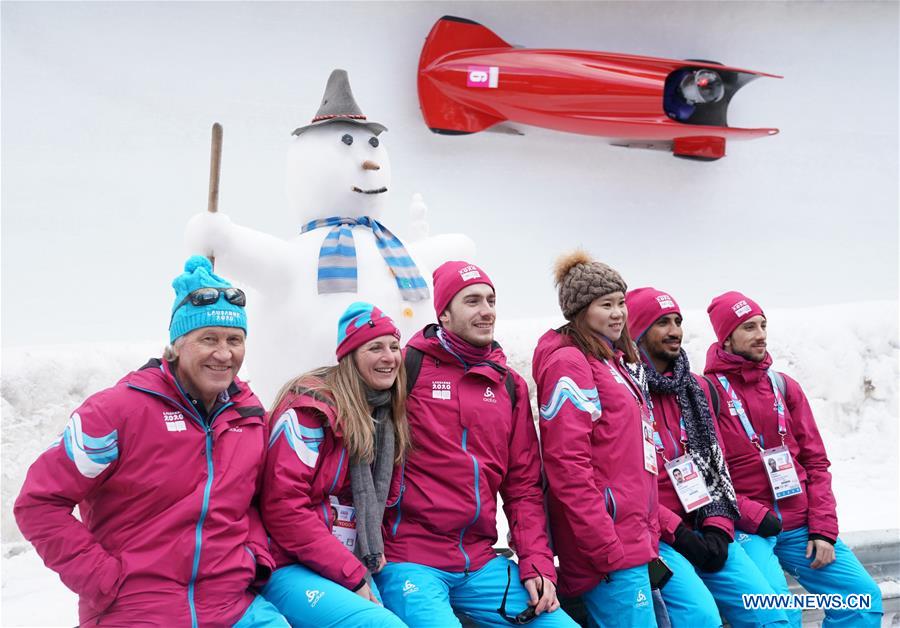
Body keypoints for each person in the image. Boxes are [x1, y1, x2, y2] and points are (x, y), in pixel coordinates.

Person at [14, 256, 287, 627]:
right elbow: (39, 503)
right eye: (208, 339)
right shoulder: (117, 411)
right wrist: (102, 579)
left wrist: (255, 556)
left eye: (234, 340)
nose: (224, 354)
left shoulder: (248, 416)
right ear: (176, 345)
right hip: (138, 608)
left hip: (232, 605)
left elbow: (252, 501)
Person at [373, 261, 575, 628]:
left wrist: (537, 564)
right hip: (410, 558)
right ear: (444, 314)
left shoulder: (510, 386)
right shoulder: (406, 368)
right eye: (472, 301)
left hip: (480, 563)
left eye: (491, 300)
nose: (486, 311)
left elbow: (524, 488)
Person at [703, 291, 883, 627]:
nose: (761, 335)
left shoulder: (783, 386)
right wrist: (755, 516)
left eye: (762, 325)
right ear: (726, 339)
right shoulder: (706, 392)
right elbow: (709, 478)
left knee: (862, 601)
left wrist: (824, 530)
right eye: (748, 328)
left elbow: (816, 463)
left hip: (799, 524)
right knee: (776, 611)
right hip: (748, 528)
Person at [626, 287, 790, 628]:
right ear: (638, 332)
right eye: (662, 323)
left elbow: (718, 470)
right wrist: (679, 534)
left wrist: (718, 527)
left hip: (704, 523)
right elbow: (624, 485)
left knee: (770, 613)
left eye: (677, 321)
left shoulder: (696, 389)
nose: (674, 331)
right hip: (656, 534)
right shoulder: (624, 391)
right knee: (700, 617)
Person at [259, 302, 409, 627]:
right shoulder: (311, 412)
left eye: (395, 346)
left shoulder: (382, 415)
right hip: (286, 562)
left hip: (342, 559)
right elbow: (284, 507)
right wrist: (351, 573)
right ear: (350, 355)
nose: (389, 357)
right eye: (375, 347)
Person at [532, 251, 659, 627]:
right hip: (609, 545)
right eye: (606, 305)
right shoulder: (571, 363)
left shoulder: (610, 359)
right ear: (580, 311)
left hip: (631, 539)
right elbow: (567, 464)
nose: (618, 312)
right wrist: (604, 544)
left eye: (621, 302)